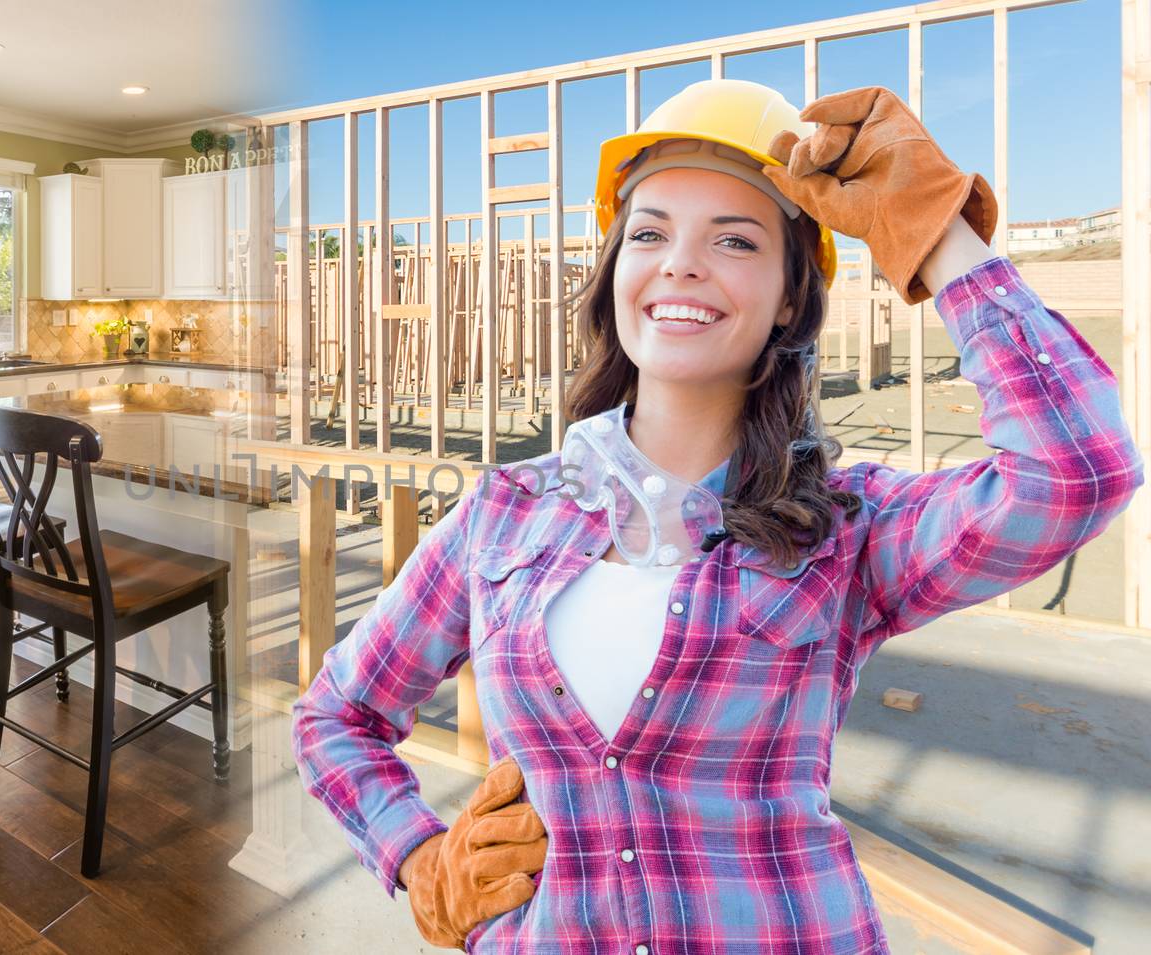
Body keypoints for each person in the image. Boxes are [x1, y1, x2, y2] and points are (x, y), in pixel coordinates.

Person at [292, 79, 1144, 953]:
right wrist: (420, 857)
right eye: (651, 232)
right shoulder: (503, 517)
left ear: (787, 297)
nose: (680, 263)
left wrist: (936, 231)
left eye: (734, 239)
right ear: (617, 270)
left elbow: (1076, 471)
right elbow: (334, 717)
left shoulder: (845, 531)